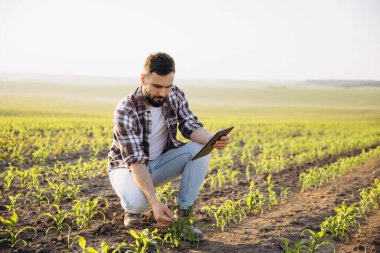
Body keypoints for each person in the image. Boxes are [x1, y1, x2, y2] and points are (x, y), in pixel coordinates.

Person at [107, 52, 231, 239]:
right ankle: (132, 210)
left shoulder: (175, 94)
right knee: (138, 204)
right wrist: (154, 202)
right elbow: (136, 162)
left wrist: (213, 139)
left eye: (168, 86)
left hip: (159, 164)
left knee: (200, 150)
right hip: (127, 169)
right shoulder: (126, 109)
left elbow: (190, 126)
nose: (163, 93)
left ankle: (184, 214)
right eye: (157, 86)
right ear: (143, 79)